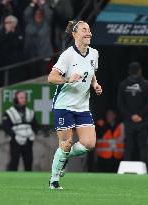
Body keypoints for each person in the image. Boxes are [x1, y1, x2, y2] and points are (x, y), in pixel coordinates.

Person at [47, 20, 102, 189]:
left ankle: (63, 158)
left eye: (89, 30)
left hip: (82, 106)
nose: (89, 33)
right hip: (64, 106)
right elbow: (51, 78)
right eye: (84, 30)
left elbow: (91, 72)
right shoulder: (68, 55)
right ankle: (54, 180)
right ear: (75, 34)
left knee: (89, 143)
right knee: (66, 144)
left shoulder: (94, 53)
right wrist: (67, 78)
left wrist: (95, 84)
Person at [117, 62, 148, 164]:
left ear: (129, 71)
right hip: (142, 119)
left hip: (130, 120)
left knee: (129, 145)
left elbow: (120, 104)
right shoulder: (147, 84)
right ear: (140, 71)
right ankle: (144, 168)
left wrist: (131, 116)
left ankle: (127, 167)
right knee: (143, 145)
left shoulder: (123, 85)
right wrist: (140, 115)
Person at [2, 90, 38, 171]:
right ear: (16, 99)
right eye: (21, 98)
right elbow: (5, 126)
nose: (24, 99)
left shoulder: (30, 112)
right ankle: (11, 181)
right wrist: (14, 136)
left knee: (29, 162)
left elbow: (35, 125)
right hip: (15, 140)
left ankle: (28, 182)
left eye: (24, 98)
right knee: (14, 162)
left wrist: (34, 133)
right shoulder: (9, 112)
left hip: (29, 139)